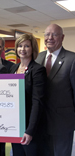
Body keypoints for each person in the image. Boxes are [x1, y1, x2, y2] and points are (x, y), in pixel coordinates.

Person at [35, 24, 75, 156]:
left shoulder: (72, 59)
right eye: (47, 34)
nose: (50, 38)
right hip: (40, 122)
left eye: (54, 34)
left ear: (62, 37)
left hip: (62, 123)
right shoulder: (38, 57)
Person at [10, 34, 47, 156]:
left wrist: (30, 131)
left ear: (32, 49)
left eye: (27, 46)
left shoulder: (37, 70)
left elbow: (38, 102)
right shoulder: (12, 68)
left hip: (30, 128)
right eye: (20, 46)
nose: (23, 49)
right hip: (15, 126)